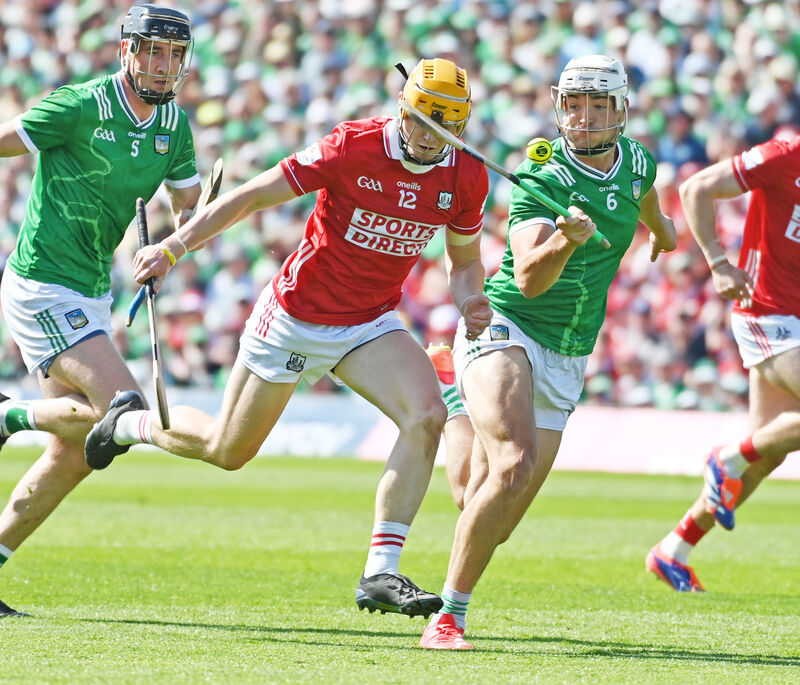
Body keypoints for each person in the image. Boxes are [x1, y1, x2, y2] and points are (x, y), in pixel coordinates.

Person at [84, 58, 493, 618]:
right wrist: (175, 246)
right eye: (423, 120)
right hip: (296, 317)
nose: (430, 136)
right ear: (404, 107)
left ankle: (380, 573)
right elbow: (252, 195)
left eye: (447, 125)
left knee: (426, 418)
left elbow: (464, 261)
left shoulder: (466, 175)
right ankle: (130, 424)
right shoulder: (353, 147)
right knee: (227, 451)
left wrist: (471, 298)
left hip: (369, 323)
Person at [417, 54, 677, 649]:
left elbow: (642, 196)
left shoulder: (637, 160)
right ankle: (449, 617)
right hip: (510, 323)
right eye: (573, 105)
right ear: (558, 105)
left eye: (596, 107)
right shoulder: (542, 177)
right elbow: (530, 279)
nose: (582, 118)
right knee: (513, 465)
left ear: (620, 112)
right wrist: (566, 237)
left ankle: (455, 394)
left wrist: (660, 231)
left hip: (570, 350)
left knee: (480, 505)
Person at [0, 4, 200, 617]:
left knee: (80, 451)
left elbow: (189, 206)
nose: (165, 67)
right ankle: (8, 417)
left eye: (175, 55)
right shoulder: (77, 105)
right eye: (154, 52)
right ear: (127, 50)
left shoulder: (174, 125)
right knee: (124, 413)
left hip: (91, 289)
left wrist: (169, 247)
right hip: (43, 284)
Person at [647, 132, 800, 592]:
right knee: (747, 456)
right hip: (767, 311)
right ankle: (725, 457)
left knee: (766, 454)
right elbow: (697, 188)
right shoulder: (787, 153)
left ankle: (674, 549)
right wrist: (717, 262)